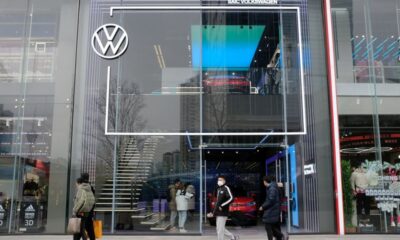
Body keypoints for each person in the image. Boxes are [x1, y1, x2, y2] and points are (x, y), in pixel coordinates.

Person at [207, 176, 239, 240]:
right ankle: (233, 237)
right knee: (220, 229)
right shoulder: (219, 189)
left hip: (223, 212)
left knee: (220, 230)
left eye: (221, 180)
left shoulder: (226, 188)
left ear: (224, 181)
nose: (219, 181)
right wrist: (212, 212)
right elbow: (218, 202)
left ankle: (231, 237)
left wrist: (222, 206)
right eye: (218, 180)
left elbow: (231, 198)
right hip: (218, 212)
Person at [260, 176, 287, 240]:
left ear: (265, 181)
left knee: (268, 226)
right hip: (274, 209)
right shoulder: (273, 187)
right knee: (273, 226)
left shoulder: (272, 188)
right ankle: (281, 236)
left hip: (272, 210)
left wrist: (263, 206)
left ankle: (282, 236)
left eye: (263, 181)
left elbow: (271, 200)